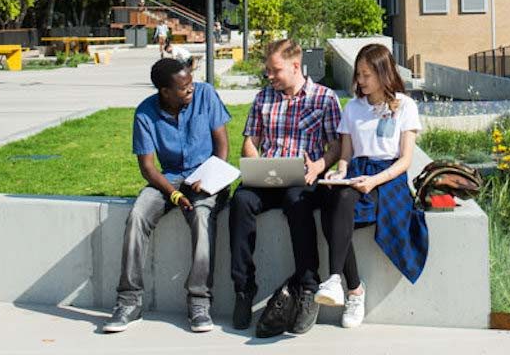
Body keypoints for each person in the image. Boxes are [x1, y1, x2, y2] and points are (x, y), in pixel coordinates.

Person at [103, 57, 230, 334]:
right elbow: (148, 168)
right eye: (184, 88)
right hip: (169, 178)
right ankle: (129, 301)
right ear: (165, 92)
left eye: (191, 83)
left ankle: (199, 301)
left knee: (202, 215)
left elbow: (222, 146)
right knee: (137, 215)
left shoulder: (206, 95)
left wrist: (210, 178)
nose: (191, 89)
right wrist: (173, 195)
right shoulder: (145, 113)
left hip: (207, 174)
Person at [229, 39, 342, 333]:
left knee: (297, 201)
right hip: (268, 176)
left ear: (295, 66)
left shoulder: (324, 98)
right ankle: (243, 288)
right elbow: (250, 141)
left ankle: (308, 288)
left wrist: (319, 165)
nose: (270, 76)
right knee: (241, 201)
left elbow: (336, 145)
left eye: (275, 70)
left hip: (304, 179)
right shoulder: (263, 98)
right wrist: (255, 163)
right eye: (268, 70)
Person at [314, 43, 428, 328]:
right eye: (359, 74)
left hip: (388, 177)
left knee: (335, 214)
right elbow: (345, 156)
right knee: (332, 201)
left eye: (366, 75)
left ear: (383, 72)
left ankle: (341, 284)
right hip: (357, 172)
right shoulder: (353, 108)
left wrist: (374, 180)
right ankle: (350, 288)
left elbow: (405, 160)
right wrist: (339, 173)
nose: (360, 81)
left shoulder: (404, 105)